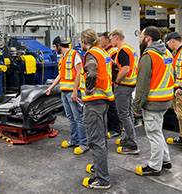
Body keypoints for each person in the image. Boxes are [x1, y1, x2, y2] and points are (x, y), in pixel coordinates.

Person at [133, 26, 174, 176]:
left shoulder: (148, 56)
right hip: (165, 100)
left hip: (153, 102)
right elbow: (172, 75)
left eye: (141, 36)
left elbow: (142, 86)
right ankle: (165, 160)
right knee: (158, 132)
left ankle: (154, 166)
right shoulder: (167, 53)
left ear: (148, 39)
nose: (140, 39)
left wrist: (136, 106)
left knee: (153, 134)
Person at [80, 29, 114, 189]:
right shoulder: (102, 52)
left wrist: (88, 88)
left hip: (94, 102)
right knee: (101, 138)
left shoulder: (92, 54)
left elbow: (92, 72)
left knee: (96, 140)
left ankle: (102, 179)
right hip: (104, 100)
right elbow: (112, 70)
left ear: (84, 41)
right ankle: (99, 167)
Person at [46, 36, 88, 155]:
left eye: (55, 46)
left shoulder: (74, 55)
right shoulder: (62, 58)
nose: (54, 49)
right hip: (64, 92)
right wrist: (50, 87)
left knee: (78, 118)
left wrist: (75, 91)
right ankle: (74, 140)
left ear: (59, 45)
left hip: (72, 92)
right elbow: (60, 75)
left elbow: (80, 73)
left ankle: (83, 144)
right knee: (71, 118)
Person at [109, 29, 140, 154]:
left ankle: (132, 144)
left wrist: (116, 81)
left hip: (123, 86)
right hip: (131, 85)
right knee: (128, 113)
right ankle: (128, 138)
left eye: (111, 38)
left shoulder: (122, 50)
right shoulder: (130, 49)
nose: (111, 41)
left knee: (123, 114)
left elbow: (126, 69)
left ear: (116, 38)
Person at [99, 32, 121, 138]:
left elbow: (117, 68)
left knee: (113, 107)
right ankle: (111, 127)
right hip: (108, 83)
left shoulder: (113, 52)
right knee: (109, 107)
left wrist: (116, 81)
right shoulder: (105, 51)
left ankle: (116, 129)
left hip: (112, 82)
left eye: (101, 39)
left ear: (106, 40)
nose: (99, 41)